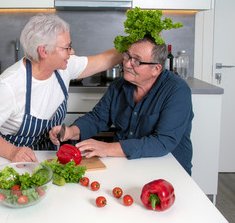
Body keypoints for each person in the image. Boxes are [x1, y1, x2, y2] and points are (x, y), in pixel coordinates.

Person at [0, 14, 122, 163]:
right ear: (43, 51)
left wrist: (130, 45)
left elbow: (103, 60)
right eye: (66, 48)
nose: (72, 52)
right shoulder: (8, 86)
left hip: (48, 156)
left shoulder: (64, 68)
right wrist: (13, 152)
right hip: (11, 160)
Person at [50, 35, 194, 175]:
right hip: (126, 165)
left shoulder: (177, 90)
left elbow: (162, 142)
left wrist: (107, 148)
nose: (126, 64)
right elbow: (98, 118)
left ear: (156, 69)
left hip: (169, 169)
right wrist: (71, 131)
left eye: (136, 61)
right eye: (127, 56)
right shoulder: (119, 86)